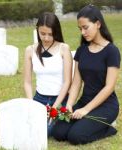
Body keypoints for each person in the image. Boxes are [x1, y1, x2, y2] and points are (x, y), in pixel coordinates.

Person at [52, 5, 121, 145]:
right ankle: (89, 123)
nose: (83, 32)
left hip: (106, 106)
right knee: (58, 132)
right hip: (84, 101)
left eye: (86, 27)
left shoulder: (112, 51)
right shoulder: (82, 50)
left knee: (75, 136)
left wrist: (85, 110)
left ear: (98, 24)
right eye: (80, 29)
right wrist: (70, 105)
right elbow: (76, 82)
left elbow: (109, 87)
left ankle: (108, 129)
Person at [24, 12, 72, 136]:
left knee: (47, 131)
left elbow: (67, 81)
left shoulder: (64, 48)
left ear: (56, 31)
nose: (46, 38)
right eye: (42, 34)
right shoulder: (30, 50)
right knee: (30, 127)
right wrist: (31, 105)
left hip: (59, 99)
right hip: (39, 99)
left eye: (50, 34)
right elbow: (27, 82)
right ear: (37, 31)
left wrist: (55, 107)